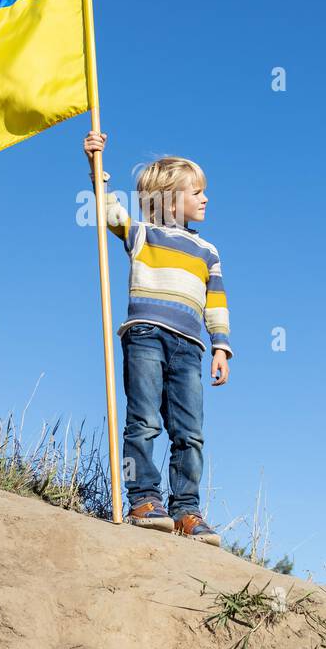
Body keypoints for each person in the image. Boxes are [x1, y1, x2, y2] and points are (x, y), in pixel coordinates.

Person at [83, 130, 232, 546]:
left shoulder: (208, 251)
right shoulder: (142, 233)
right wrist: (96, 165)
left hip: (190, 347)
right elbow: (109, 211)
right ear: (168, 198)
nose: (205, 199)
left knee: (190, 432)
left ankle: (187, 510)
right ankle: (144, 499)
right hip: (145, 336)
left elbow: (216, 300)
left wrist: (220, 345)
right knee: (144, 420)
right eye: (196, 191)